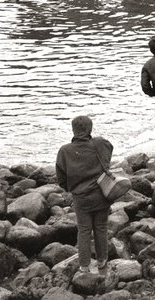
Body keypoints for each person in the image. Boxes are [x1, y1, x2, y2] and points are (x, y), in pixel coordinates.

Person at [55, 116, 113, 274]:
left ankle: (84, 265)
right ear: (90, 129)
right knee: (101, 227)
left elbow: (61, 179)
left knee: (84, 230)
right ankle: (102, 262)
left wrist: (72, 188)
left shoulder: (65, 151)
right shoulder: (100, 143)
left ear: (73, 129)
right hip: (102, 193)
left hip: (81, 197)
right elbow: (109, 151)